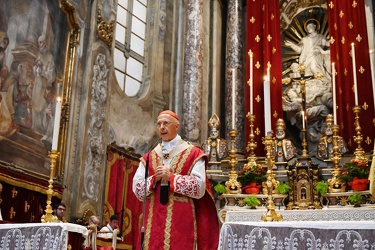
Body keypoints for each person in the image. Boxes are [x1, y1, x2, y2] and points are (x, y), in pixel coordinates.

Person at [132, 110, 219, 250]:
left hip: (181, 220)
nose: (162, 127)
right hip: (152, 220)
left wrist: (171, 177)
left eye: (166, 123)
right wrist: (155, 179)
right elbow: (137, 189)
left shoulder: (193, 153)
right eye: (159, 124)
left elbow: (199, 188)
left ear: (177, 126)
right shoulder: (149, 157)